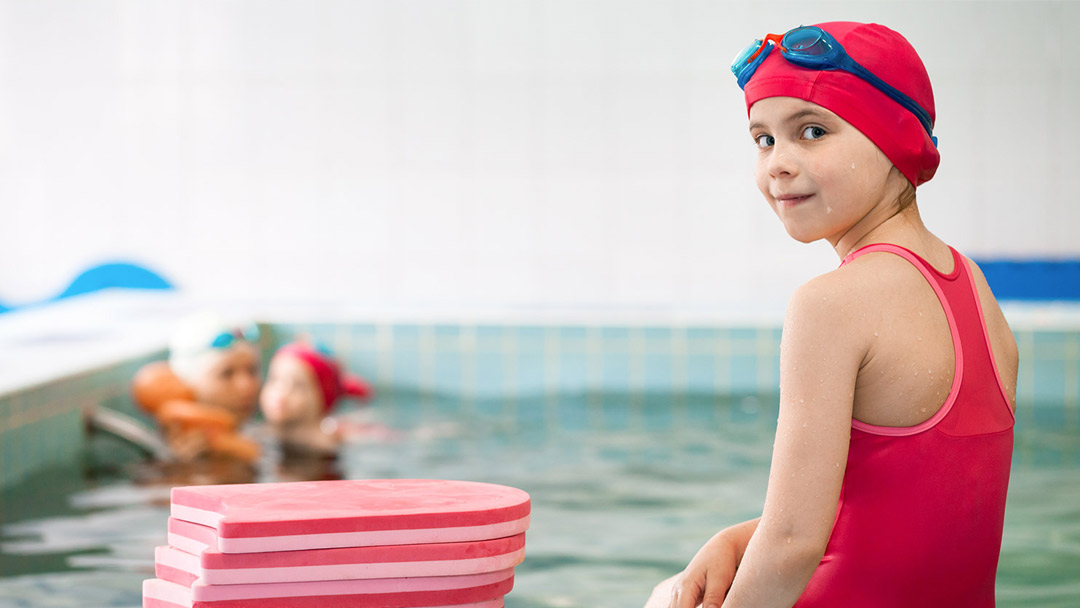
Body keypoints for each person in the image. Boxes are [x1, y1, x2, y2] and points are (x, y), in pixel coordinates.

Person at [650, 21, 1018, 607]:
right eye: (763, 139)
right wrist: (734, 538)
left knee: (666, 596)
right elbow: (901, 515)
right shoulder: (971, 285)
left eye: (812, 131)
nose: (778, 163)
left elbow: (795, 543)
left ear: (894, 138)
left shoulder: (830, 304)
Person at [131, 312, 262, 463]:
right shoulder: (169, 449)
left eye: (252, 371)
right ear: (187, 383)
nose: (247, 386)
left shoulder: (260, 434)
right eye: (226, 374)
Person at [258, 340, 375, 456]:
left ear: (321, 399)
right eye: (274, 379)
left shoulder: (324, 444)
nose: (281, 392)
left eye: (298, 386)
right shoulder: (265, 432)